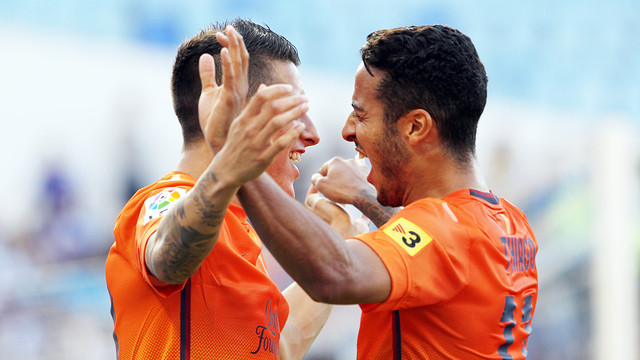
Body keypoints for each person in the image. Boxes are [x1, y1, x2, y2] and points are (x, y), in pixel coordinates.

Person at [208, 24, 539, 359]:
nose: (347, 131)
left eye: (360, 115)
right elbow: (432, 252)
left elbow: (335, 274)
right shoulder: (512, 224)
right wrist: (365, 200)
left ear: (415, 127)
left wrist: (236, 155)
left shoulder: (447, 230)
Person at [105, 19, 345, 359]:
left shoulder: (242, 228)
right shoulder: (163, 199)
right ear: (228, 111)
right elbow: (167, 259)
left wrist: (338, 243)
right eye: (291, 109)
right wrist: (229, 160)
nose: (312, 133)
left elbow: (278, 346)